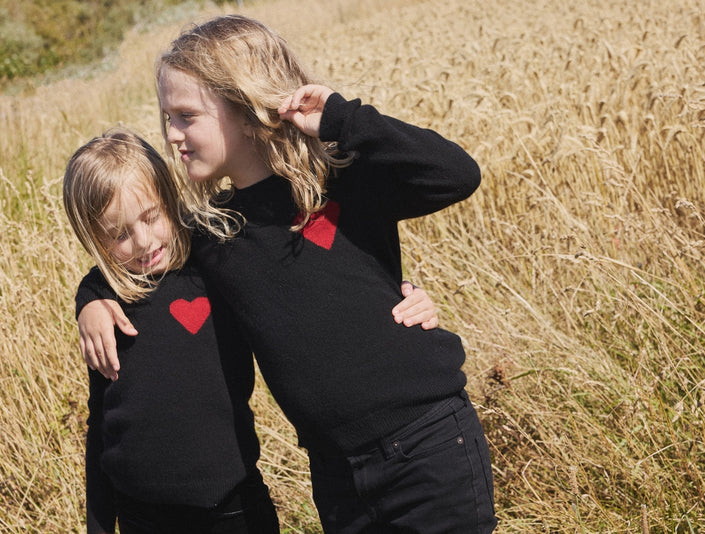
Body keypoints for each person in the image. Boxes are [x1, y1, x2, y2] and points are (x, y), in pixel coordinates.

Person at [78, 15, 497, 533]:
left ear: (242, 104)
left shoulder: (336, 180)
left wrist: (341, 119)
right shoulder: (214, 231)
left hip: (428, 447)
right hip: (338, 477)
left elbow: (456, 175)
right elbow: (145, 265)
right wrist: (92, 298)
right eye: (167, 117)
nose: (172, 135)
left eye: (186, 116)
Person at [62, 127, 281, 534]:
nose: (144, 242)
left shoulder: (217, 261)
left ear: (169, 199)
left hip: (234, 507)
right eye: (120, 234)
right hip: (142, 517)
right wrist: (98, 524)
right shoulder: (108, 309)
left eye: (151, 217)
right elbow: (101, 422)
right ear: (94, 239)